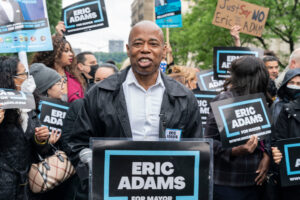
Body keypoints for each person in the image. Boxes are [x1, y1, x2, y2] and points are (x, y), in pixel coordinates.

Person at [64, 20, 202, 198]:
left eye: (153, 43)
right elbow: (78, 144)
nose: (145, 49)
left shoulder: (184, 97)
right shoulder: (99, 93)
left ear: (164, 50)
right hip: (113, 192)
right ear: (128, 49)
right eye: (138, 43)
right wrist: (98, 165)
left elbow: (196, 149)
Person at [204, 56, 271, 200]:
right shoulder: (224, 101)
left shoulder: (260, 100)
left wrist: (266, 155)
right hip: (227, 184)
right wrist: (233, 151)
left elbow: (267, 136)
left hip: (255, 182)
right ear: (256, 77)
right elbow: (207, 142)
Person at [0, 56, 49, 200]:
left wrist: (41, 138)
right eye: (22, 75)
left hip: (25, 185)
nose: (27, 79)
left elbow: (38, 146)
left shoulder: (27, 105)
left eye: (27, 74)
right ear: (8, 79)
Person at [272, 69, 300, 199]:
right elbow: (277, 140)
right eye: (292, 83)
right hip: (292, 177)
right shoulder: (281, 108)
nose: (295, 87)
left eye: (299, 83)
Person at [31, 35, 85, 103]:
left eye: (70, 51)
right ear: (55, 53)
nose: (71, 54)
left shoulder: (76, 78)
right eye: (66, 51)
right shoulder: (40, 75)